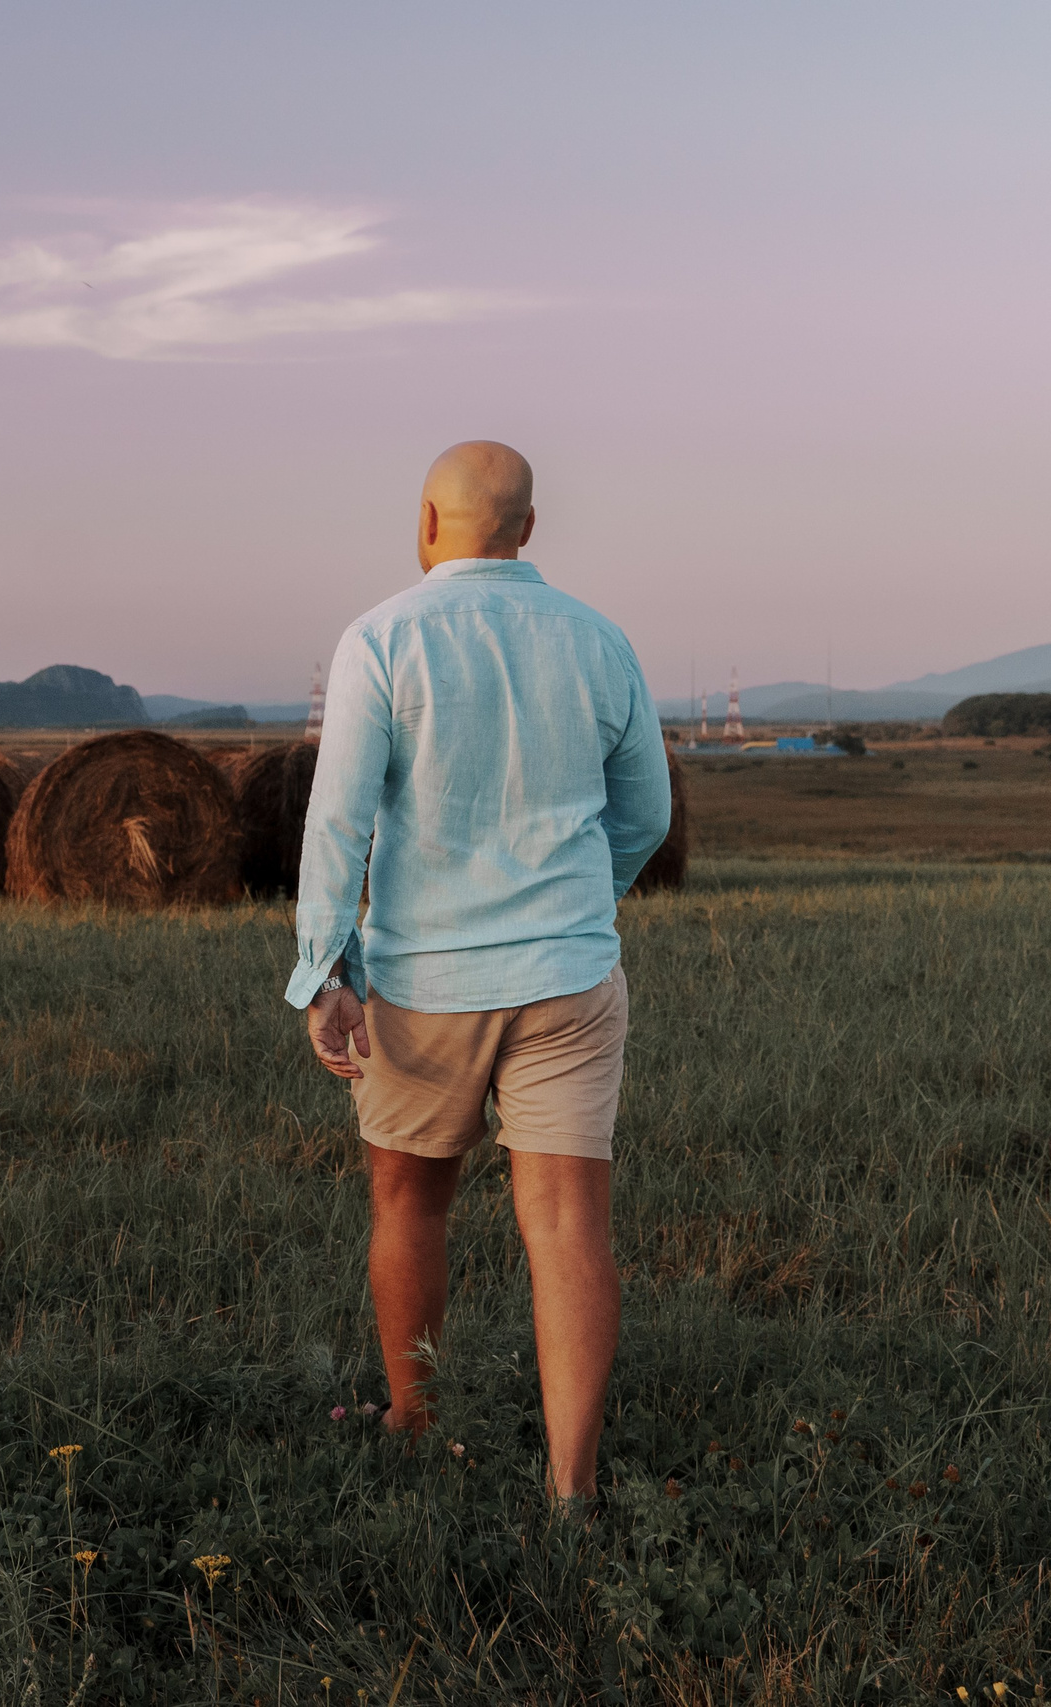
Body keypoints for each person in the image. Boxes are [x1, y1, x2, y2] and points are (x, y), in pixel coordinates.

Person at [289, 442, 670, 1508]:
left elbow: (337, 821)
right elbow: (646, 814)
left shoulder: (381, 639)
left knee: (410, 1203)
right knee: (569, 1225)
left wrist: (325, 969)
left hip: (423, 984)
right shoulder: (600, 640)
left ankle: (412, 1423)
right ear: (529, 529)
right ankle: (570, 1488)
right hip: (569, 979)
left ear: (425, 520)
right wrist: (580, 904)